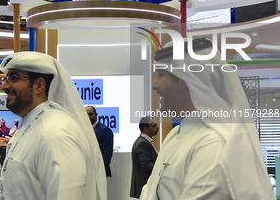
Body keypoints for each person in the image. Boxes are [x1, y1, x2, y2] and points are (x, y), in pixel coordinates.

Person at [139, 38, 275, 200]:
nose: (154, 84)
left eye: (160, 75)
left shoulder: (215, 144)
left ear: (186, 79)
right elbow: (150, 190)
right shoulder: (175, 135)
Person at [0, 51, 106, 200]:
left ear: (39, 85)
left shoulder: (55, 132)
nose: (4, 86)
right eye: (6, 78)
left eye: (14, 78)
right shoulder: (32, 126)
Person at [130, 116, 159, 199]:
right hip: (144, 187)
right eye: (154, 126)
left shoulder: (145, 142)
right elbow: (146, 165)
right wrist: (161, 170)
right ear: (146, 129)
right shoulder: (142, 144)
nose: (158, 127)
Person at [86, 105, 114, 177]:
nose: (88, 117)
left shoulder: (104, 130)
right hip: (88, 171)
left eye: (90, 114)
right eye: (86, 115)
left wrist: (101, 171)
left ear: (96, 114)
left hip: (99, 172)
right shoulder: (85, 130)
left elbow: (107, 153)